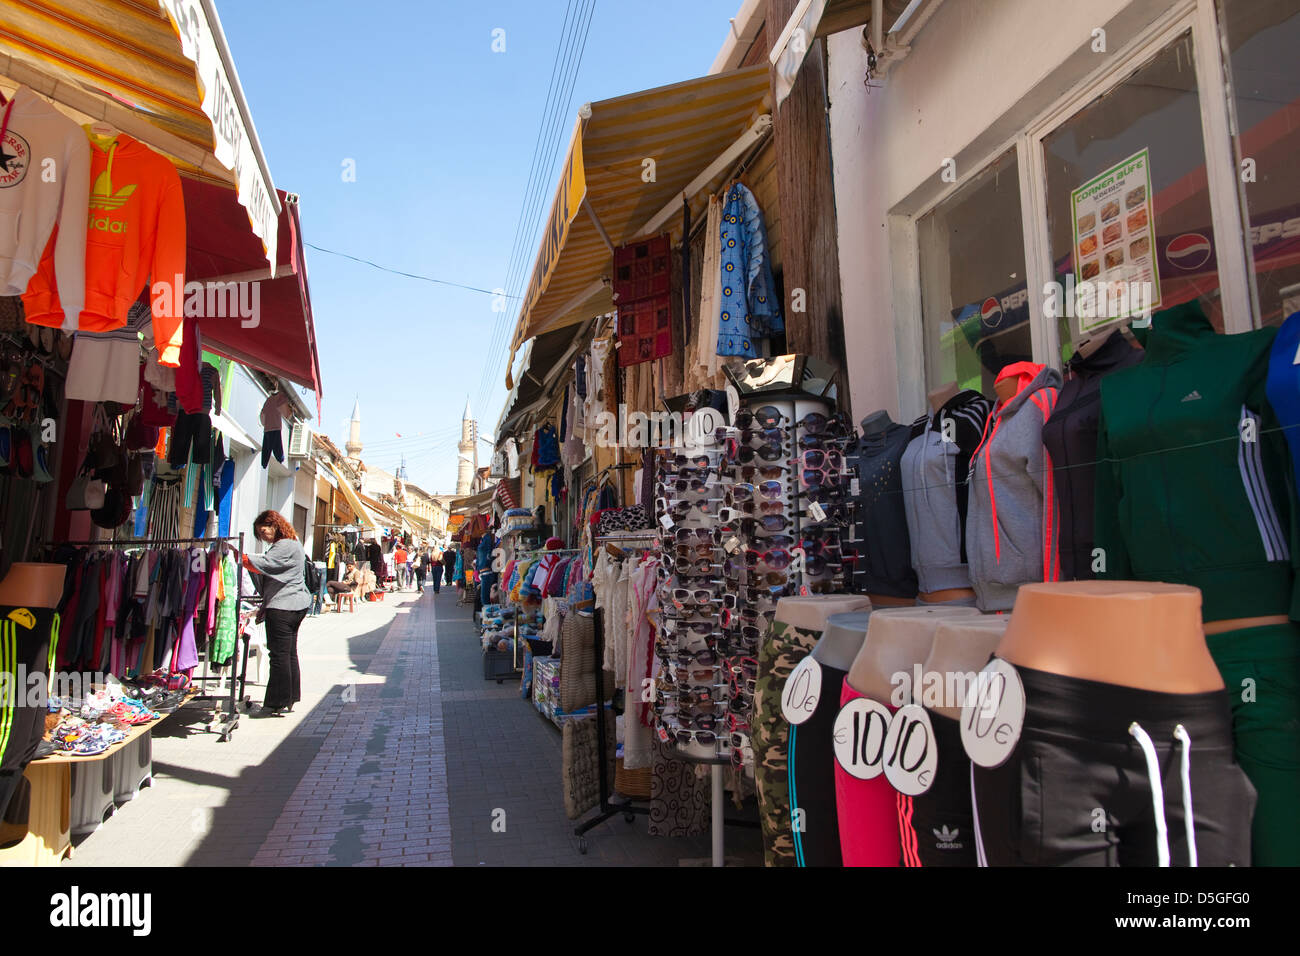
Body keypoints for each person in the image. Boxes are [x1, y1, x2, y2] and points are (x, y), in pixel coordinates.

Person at [242, 510, 311, 717]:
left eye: (264, 532)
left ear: (275, 525)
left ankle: (274, 703)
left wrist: (239, 556)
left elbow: (266, 564)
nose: (263, 537)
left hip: (283, 606)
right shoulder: (294, 544)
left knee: (279, 655)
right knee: (289, 653)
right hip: (296, 605)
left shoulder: (284, 545)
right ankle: (290, 697)